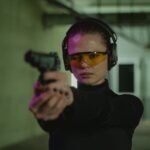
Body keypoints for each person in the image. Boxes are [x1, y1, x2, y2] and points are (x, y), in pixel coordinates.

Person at [29, 17, 144, 150]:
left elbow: (98, 108)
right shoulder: (63, 104)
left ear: (111, 56)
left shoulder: (129, 106)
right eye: (76, 57)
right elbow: (49, 122)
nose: (84, 64)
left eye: (94, 55)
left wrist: (70, 97)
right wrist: (46, 101)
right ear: (67, 61)